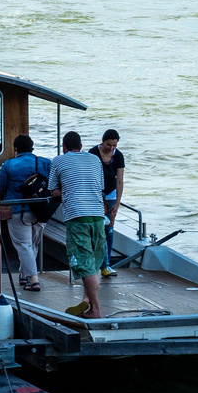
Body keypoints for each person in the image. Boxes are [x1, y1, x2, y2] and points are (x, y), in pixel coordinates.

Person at [48, 130, 106, 318]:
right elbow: (100, 185)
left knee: (83, 262)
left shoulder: (58, 160)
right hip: (98, 216)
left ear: (64, 147)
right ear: (81, 146)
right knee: (93, 261)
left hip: (77, 216)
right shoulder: (95, 160)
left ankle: (95, 309)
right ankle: (86, 301)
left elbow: (53, 191)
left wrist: (67, 188)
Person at [0, 134, 49, 291]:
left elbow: (0, 188)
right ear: (32, 148)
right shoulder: (45, 162)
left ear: (16, 150)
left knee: (24, 246)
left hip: (18, 211)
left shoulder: (8, 165)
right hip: (41, 210)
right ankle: (23, 275)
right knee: (32, 245)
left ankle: (34, 280)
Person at [93, 129, 126, 277]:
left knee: (109, 228)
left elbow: (119, 180)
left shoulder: (118, 156)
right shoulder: (93, 153)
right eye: (108, 145)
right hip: (96, 192)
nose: (111, 148)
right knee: (98, 227)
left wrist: (117, 203)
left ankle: (107, 265)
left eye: (114, 145)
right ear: (103, 141)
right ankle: (99, 263)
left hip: (111, 192)